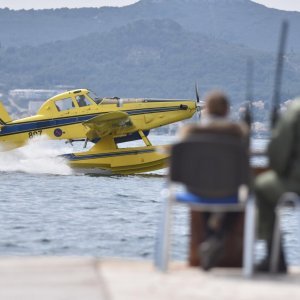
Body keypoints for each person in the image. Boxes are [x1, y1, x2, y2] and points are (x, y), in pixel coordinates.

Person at [178, 90, 249, 270]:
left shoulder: (190, 132)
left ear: (206, 110)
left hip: (196, 189)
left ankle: (211, 239)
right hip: (229, 190)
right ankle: (218, 237)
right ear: (227, 111)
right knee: (238, 198)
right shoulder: (237, 134)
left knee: (205, 193)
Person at [254, 99, 300, 273]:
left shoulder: (296, 110)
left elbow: (278, 156)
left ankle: (276, 258)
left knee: (261, 186)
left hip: (296, 183)